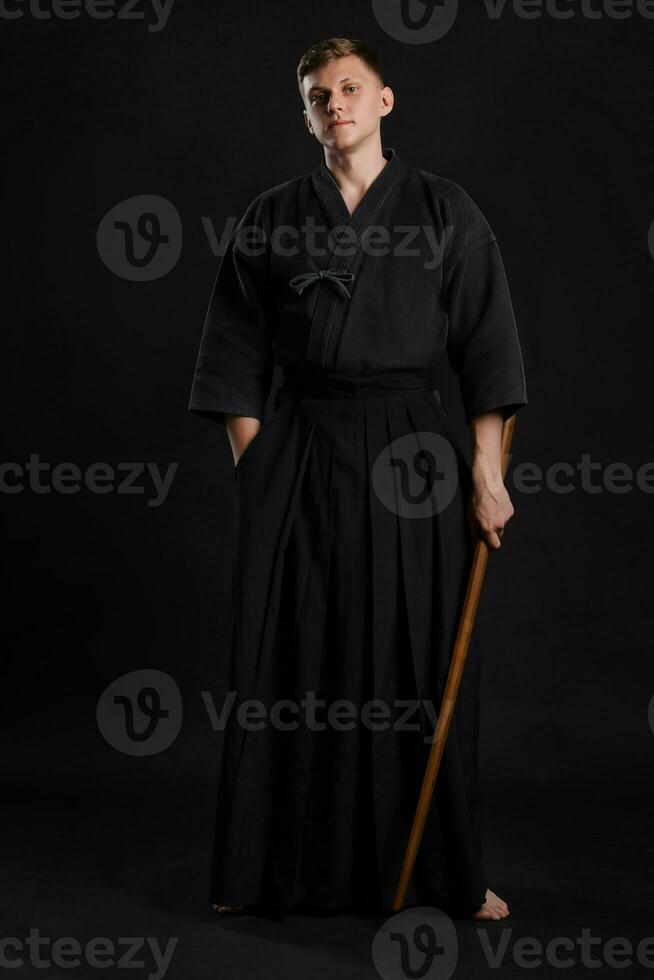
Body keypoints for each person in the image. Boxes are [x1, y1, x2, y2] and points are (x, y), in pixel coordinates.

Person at [189, 36, 527, 922]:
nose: (333, 103)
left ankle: (448, 874)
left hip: (416, 450)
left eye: (348, 88)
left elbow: (487, 355)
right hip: (301, 443)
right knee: (295, 652)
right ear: (307, 115)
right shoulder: (271, 215)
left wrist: (487, 474)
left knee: (418, 655)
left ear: (384, 101)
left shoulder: (445, 212)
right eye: (315, 95)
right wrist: (260, 464)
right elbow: (233, 353)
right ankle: (270, 873)